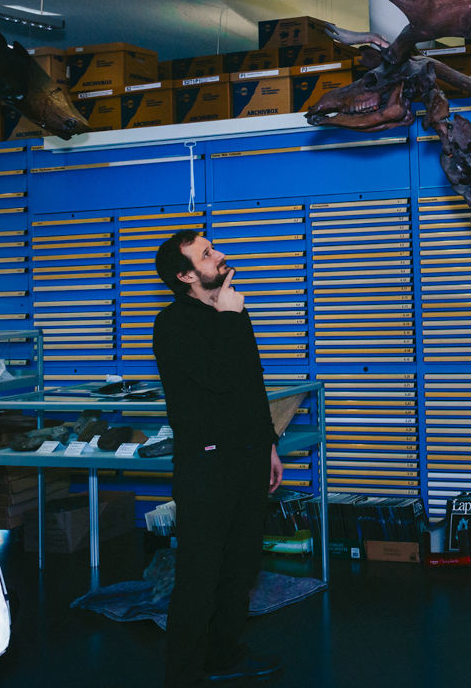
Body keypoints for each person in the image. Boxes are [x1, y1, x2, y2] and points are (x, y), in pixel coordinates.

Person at [153, 230, 284, 686]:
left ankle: (224, 656)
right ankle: (183, 674)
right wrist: (230, 318)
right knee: (199, 575)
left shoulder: (232, 311)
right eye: (207, 254)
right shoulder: (172, 324)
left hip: (249, 458)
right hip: (207, 467)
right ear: (186, 275)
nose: (220, 255)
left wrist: (269, 444)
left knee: (241, 567)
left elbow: (250, 382)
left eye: (213, 247)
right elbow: (216, 378)